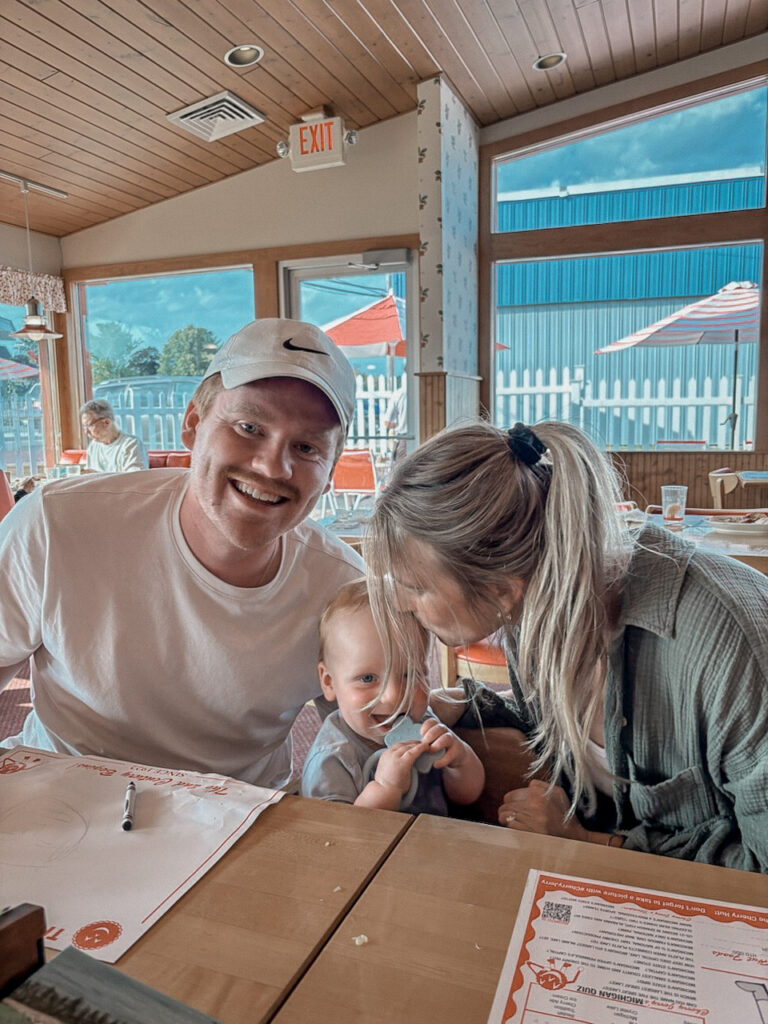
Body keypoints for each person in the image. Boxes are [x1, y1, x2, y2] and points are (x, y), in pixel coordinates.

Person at [364, 420, 768, 871]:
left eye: (413, 586)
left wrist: (587, 843)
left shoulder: (728, 649)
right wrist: (455, 701)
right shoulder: (537, 600)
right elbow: (574, 729)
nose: (400, 602)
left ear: (501, 590)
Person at [0, 319, 364, 787]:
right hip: (62, 798)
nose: (274, 465)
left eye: (308, 446)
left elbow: (372, 730)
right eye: (249, 426)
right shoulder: (54, 524)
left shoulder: (342, 587)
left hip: (236, 822)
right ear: (192, 424)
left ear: (330, 472)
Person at [301, 577, 484, 813]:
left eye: (409, 674)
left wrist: (460, 761)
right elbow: (341, 841)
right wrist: (386, 788)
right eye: (368, 678)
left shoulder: (424, 723)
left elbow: (466, 796)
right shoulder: (333, 760)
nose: (394, 696)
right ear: (329, 682)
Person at [79, 398, 148, 473]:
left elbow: (135, 479)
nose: (86, 431)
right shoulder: (93, 446)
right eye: (84, 427)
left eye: (89, 425)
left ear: (107, 422)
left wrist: (98, 476)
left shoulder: (131, 445)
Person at [383, 386, 407, 462]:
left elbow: (387, 423)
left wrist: (399, 424)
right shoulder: (423, 389)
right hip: (425, 437)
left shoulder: (397, 394)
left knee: (399, 469)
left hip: (403, 438)